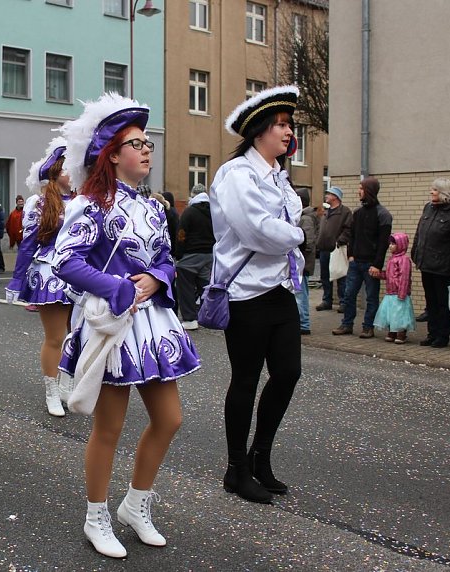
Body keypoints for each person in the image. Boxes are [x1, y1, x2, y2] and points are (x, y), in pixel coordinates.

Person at [53, 93, 201, 558]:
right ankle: (96, 514)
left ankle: (136, 505)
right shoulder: (90, 205)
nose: (147, 150)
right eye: (137, 143)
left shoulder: (156, 207)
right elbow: (66, 261)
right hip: (111, 325)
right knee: (109, 427)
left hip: (151, 324)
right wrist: (115, 287)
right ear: (112, 154)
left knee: (169, 418)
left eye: (149, 143)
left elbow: (164, 260)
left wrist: (157, 280)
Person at [210, 85, 305, 505]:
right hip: (246, 292)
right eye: (281, 125)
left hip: (280, 289)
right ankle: (236, 469)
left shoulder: (278, 176)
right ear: (259, 131)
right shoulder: (236, 175)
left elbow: (284, 219)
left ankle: (260, 456)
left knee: (287, 373)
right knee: (246, 380)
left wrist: (288, 233)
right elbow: (259, 229)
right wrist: (297, 236)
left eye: (289, 125)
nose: (288, 132)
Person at [6, 138, 75, 417]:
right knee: (56, 337)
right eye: (69, 169)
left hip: (83, 275)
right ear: (55, 174)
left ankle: (67, 384)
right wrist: (16, 281)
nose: (76, 174)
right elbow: (28, 245)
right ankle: (51, 391)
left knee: (77, 336)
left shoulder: (86, 200)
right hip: (52, 273)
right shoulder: (40, 203)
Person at [332, 177, 392, 338]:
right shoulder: (357, 213)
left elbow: (383, 243)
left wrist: (377, 265)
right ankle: (347, 324)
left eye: (361, 188)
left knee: (371, 297)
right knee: (348, 295)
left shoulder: (383, 214)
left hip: (371, 264)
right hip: (356, 262)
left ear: (369, 191)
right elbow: (352, 235)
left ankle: (368, 327)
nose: (358, 191)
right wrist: (351, 255)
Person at [411, 178, 450, 348]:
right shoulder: (429, 208)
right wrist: (415, 252)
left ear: (444, 193)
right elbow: (420, 232)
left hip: (443, 268)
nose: (431, 192)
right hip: (426, 264)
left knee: (443, 304)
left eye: (435, 190)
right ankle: (432, 333)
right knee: (431, 303)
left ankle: (442, 336)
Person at [174, 183, 215, 330]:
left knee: (185, 287)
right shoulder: (214, 211)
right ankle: (209, 316)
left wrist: (178, 254)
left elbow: (181, 234)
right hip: (209, 254)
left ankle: (190, 319)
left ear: (193, 195)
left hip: (190, 255)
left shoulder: (189, 212)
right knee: (205, 287)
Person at [373, 233, 416, 343]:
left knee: (400, 313)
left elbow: (404, 277)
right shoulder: (391, 259)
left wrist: (402, 293)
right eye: (390, 244)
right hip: (390, 293)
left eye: (393, 244)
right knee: (391, 313)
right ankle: (392, 331)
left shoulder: (404, 260)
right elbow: (389, 275)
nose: (390, 246)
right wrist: (378, 275)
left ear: (401, 245)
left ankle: (401, 333)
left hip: (399, 293)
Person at [315, 186, 352, 312]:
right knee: (325, 276)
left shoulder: (345, 212)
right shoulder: (326, 212)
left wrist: (339, 241)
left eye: (329, 194)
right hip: (324, 249)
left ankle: (343, 302)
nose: (326, 196)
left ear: (336, 197)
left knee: (341, 275)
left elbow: (348, 229)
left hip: (337, 249)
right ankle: (327, 300)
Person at [295, 187, 319, 335]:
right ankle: (302, 321)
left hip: (303, 263)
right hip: (302, 262)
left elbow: (307, 242)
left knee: (301, 293)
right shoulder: (305, 217)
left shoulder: (306, 218)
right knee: (300, 292)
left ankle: (304, 324)